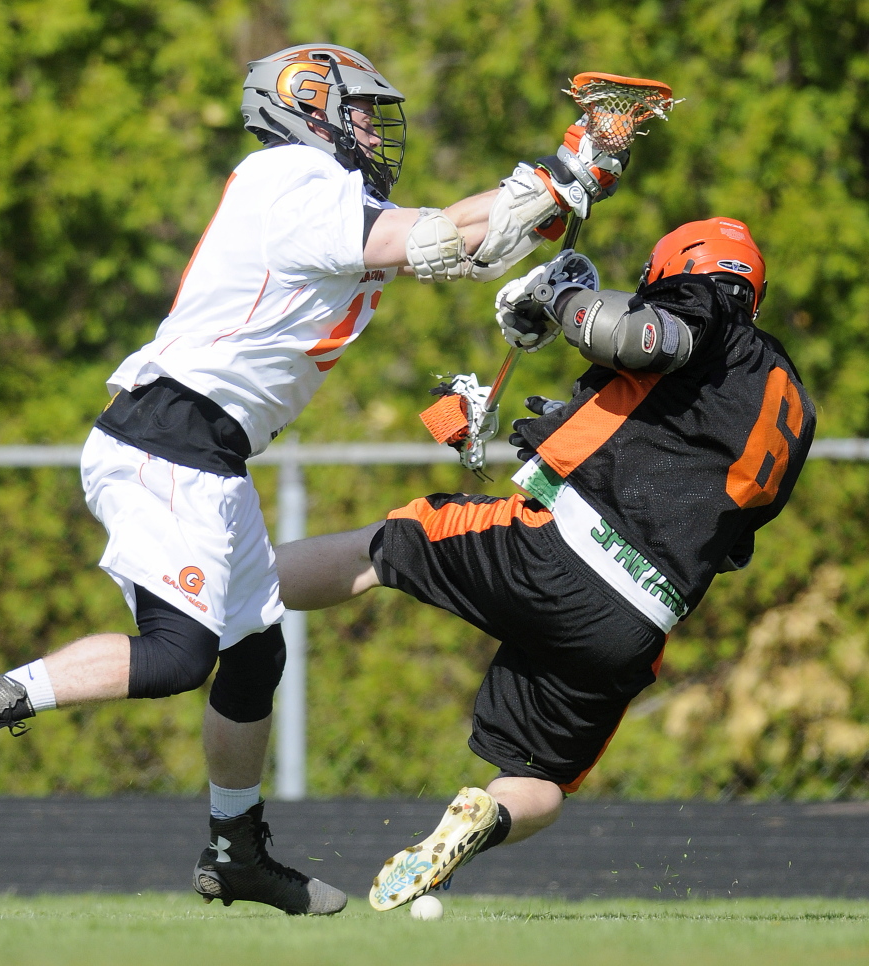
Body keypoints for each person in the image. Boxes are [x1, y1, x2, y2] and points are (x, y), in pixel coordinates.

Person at [0, 44, 624, 916]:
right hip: (171, 434)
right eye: (358, 109)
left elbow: (467, 244)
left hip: (198, 444)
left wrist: (565, 190)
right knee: (181, 657)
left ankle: (236, 851)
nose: (371, 127)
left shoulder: (324, 193)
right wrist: (554, 175)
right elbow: (437, 240)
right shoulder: (294, 175)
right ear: (304, 105)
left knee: (256, 654)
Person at [274, 216, 817, 911]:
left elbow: (635, 336)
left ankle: (213, 593)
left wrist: (562, 296)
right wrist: (577, 418)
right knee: (539, 781)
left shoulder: (705, 308)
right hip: (638, 624)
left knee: (386, 543)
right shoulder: (793, 404)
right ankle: (483, 818)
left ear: (680, 270)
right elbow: (712, 511)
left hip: (560, 555)